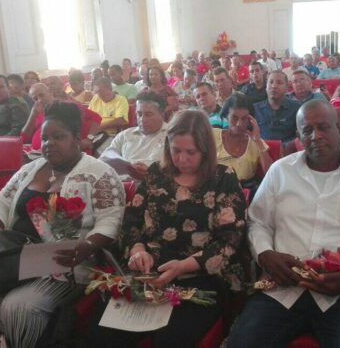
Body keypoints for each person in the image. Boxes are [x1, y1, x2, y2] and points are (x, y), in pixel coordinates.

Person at [228, 99, 340, 348]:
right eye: (307, 130)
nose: (316, 136)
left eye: (323, 127)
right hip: (282, 287)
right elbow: (258, 222)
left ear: (339, 129)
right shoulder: (281, 171)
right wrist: (265, 254)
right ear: (298, 135)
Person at [0, 102, 125, 348]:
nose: (49, 143)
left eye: (58, 137)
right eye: (45, 138)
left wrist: (88, 245)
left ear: (76, 139)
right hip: (13, 260)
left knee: (17, 307)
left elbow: (110, 222)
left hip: (65, 265)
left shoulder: (100, 173)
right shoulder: (30, 169)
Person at [86, 109, 246, 347]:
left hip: (201, 274)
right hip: (151, 272)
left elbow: (230, 240)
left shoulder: (223, 177)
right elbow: (131, 222)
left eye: (190, 152)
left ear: (206, 150)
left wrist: (183, 266)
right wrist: (138, 249)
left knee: (171, 338)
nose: (181, 159)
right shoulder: (155, 174)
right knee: (101, 334)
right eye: (175, 150)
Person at [100, 92, 168, 180]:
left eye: (148, 114)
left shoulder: (172, 135)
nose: (142, 119)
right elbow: (105, 157)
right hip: (122, 184)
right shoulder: (125, 135)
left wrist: (151, 174)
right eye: (139, 114)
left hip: (156, 185)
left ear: (162, 114)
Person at [22, 83, 101, 154]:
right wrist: (32, 115)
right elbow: (23, 138)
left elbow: (96, 118)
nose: (40, 100)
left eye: (41, 95)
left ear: (49, 92)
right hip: (38, 155)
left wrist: (89, 139)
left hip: (65, 154)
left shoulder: (67, 106)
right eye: (35, 99)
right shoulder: (37, 112)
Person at [215, 94, 273, 183]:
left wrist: (257, 141)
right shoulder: (213, 135)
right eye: (234, 118)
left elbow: (271, 174)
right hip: (215, 188)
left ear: (251, 120)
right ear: (226, 116)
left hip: (246, 192)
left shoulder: (256, 141)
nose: (239, 124)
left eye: (244, 119)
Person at [254, 71, 300, 142]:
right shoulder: (255, 108)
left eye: (279, 83)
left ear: (287, 87)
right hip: (261, 150)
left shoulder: (297, 108)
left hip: (289, 151)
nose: (274, 86)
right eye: (271, 82)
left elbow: (300, 136)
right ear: (266, 86)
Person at [89, 77, 129, 152]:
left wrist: (98, 127)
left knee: (98, 152)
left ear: (110, 88)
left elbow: (120, 121)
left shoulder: (120, 100)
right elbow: (88, 118)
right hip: (93, 134)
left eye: (101, 91)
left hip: (110, 135)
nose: (99, 94)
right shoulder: (95, 98)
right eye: (96, 92)